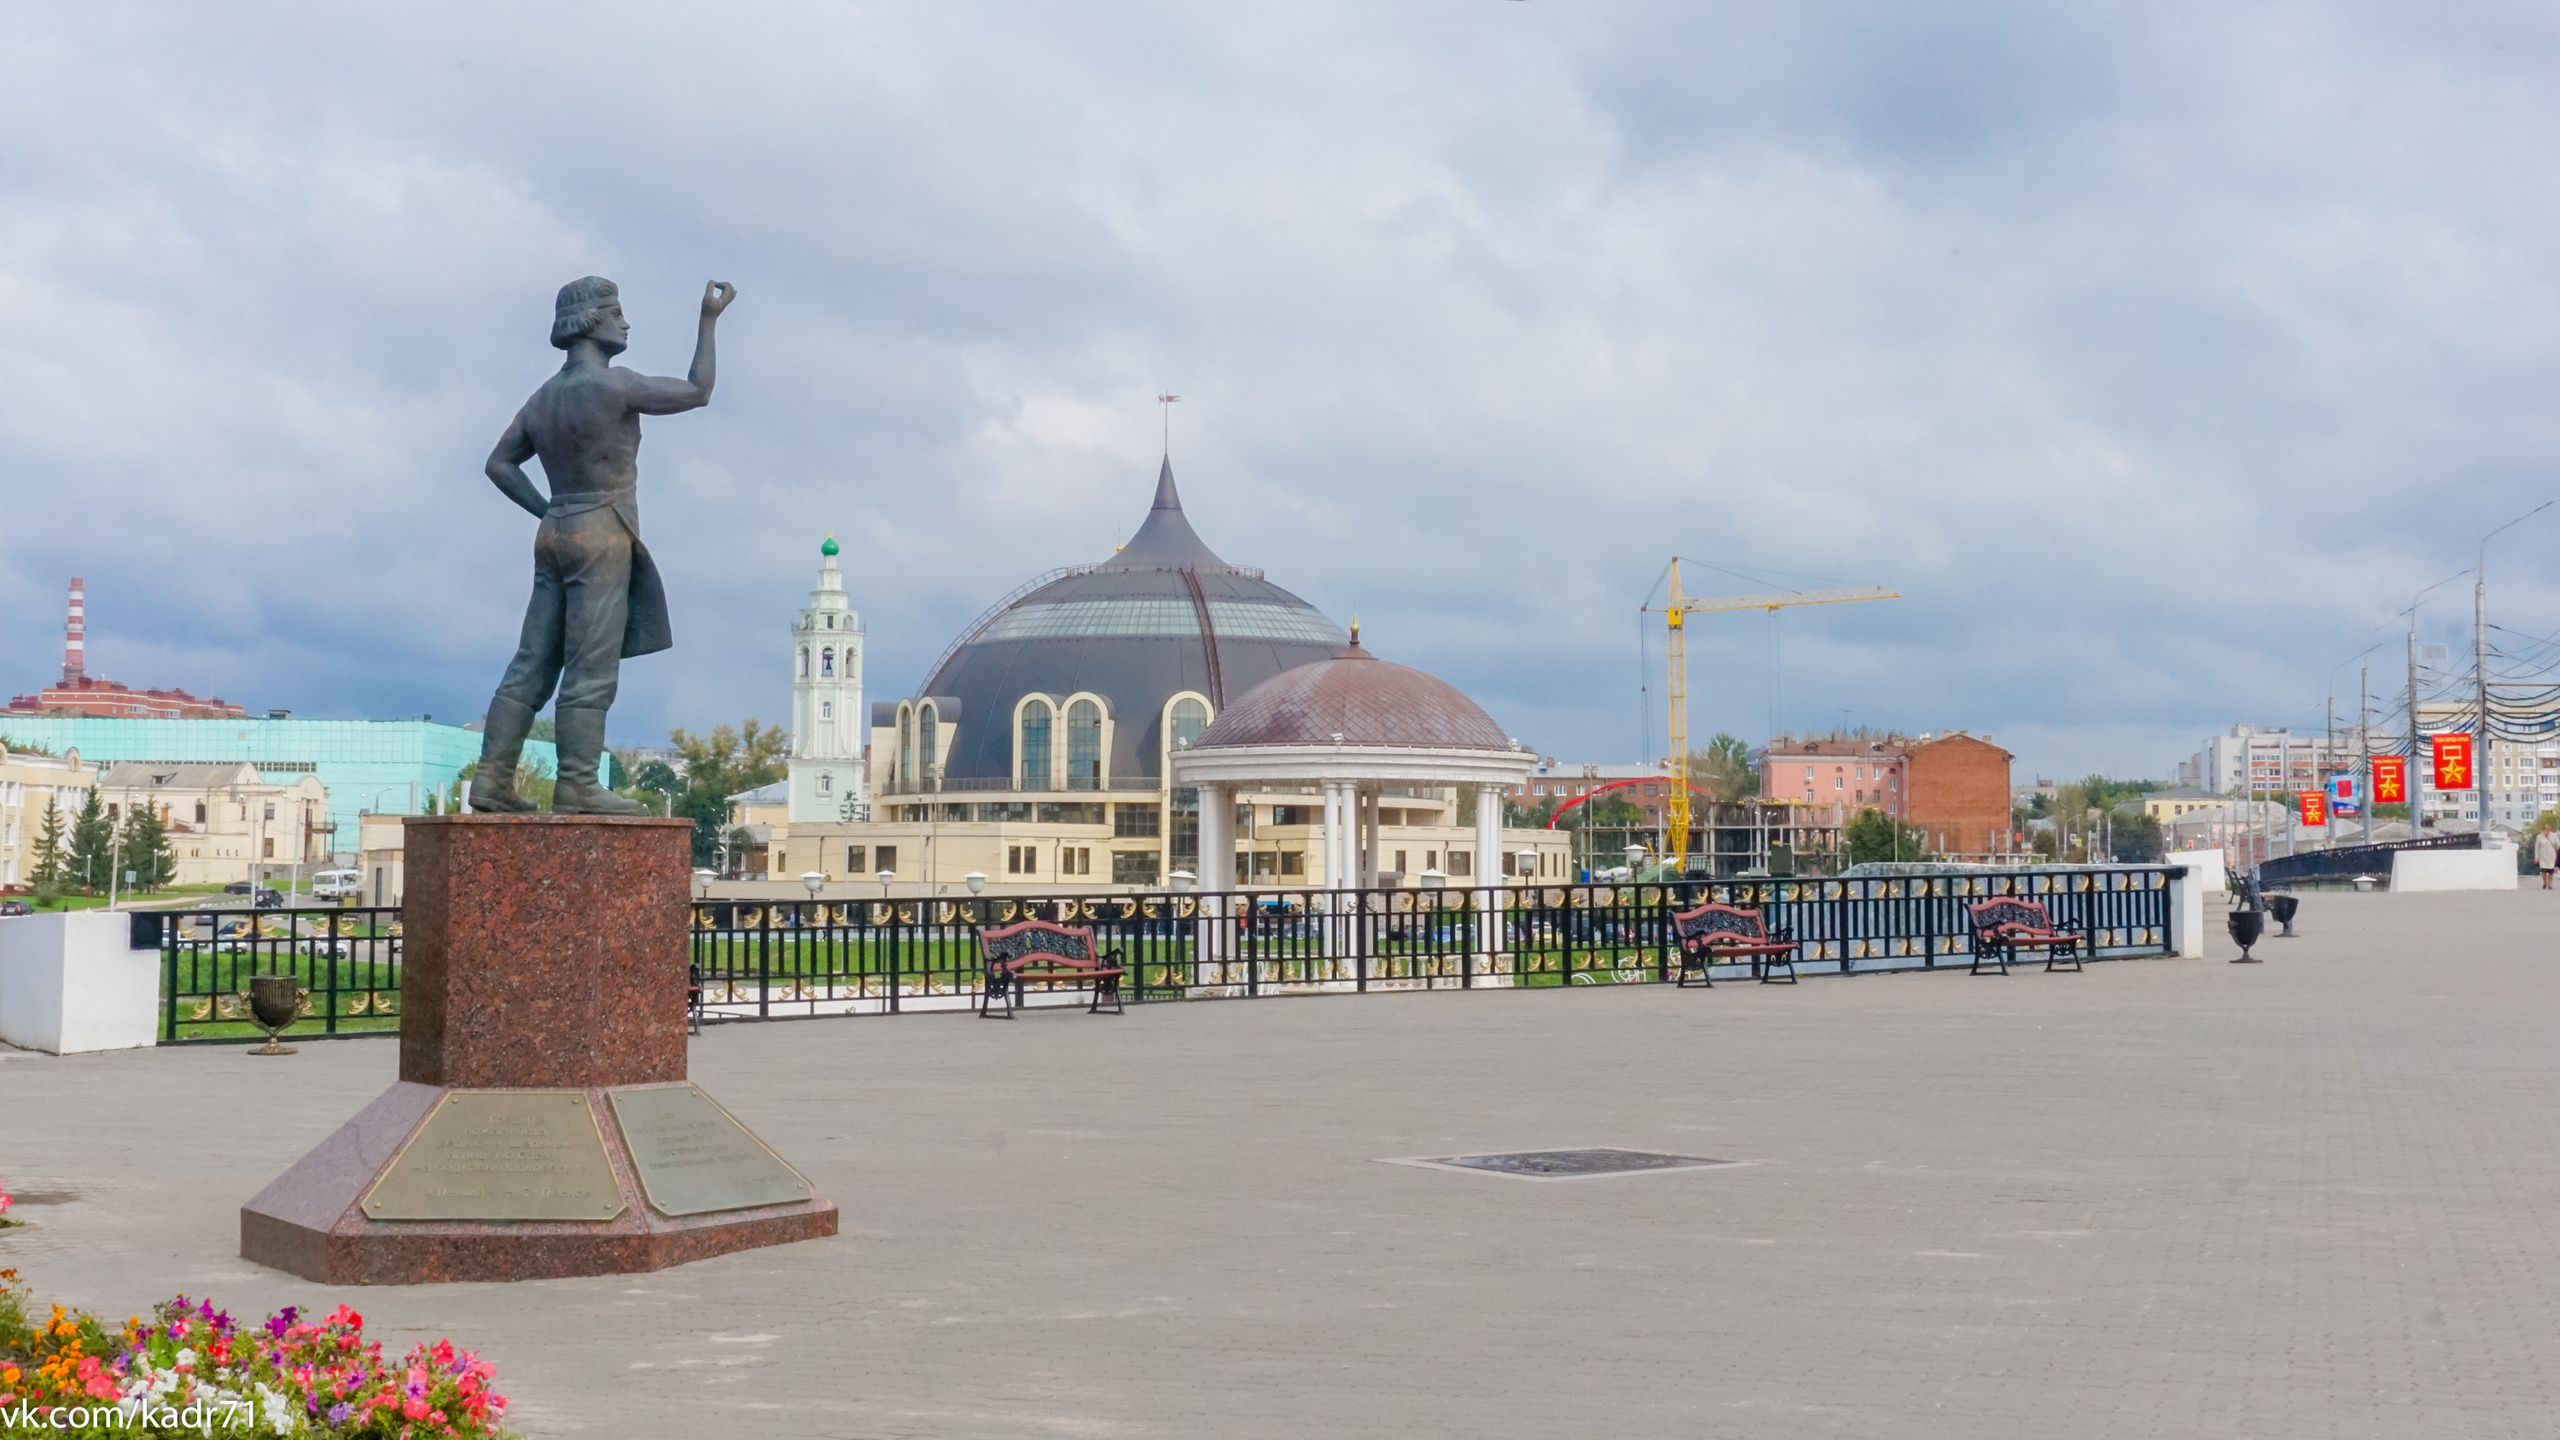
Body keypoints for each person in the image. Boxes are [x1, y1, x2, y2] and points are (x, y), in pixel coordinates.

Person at [470, 276, 736, 814]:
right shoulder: (615, 386)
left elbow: (499, 464)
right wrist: (709, 321)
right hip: (601, 531)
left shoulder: (542, 398)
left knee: (531, 663)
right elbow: (697, 391)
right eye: (616, 312)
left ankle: (491, 781)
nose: (625, 322)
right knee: (590, 666)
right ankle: (577, 784)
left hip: (554, 531)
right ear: (591, 321)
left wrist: (547, 509)